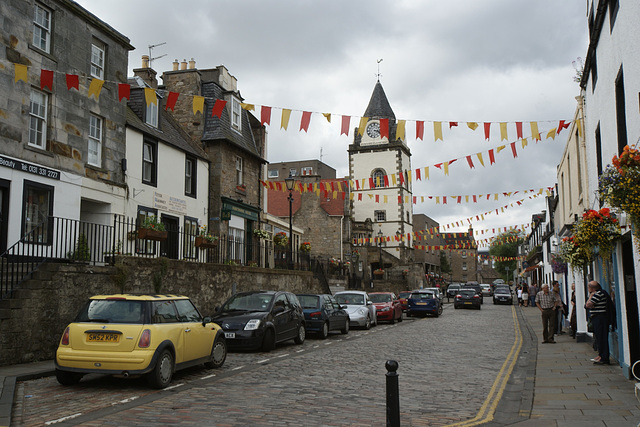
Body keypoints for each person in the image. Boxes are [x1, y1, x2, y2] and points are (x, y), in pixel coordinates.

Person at [585, 281, 610, 365]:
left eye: (588, 287)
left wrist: (591, 296)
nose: (588, 289)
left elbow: (587, 305)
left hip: (600, 318)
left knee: (601, 337)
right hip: (597, 318)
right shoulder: (599, 293)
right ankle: (601, 355)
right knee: (599, 337)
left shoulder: (598, 294)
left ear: (592, 288)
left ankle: (604, 358)